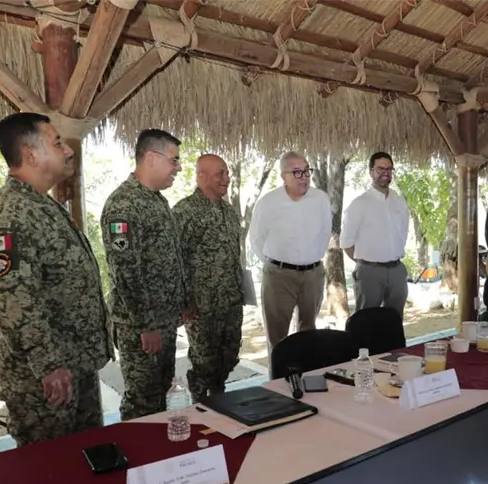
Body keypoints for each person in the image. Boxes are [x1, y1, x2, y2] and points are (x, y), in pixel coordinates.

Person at [0, 112, 113, 446]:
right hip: (45, 380)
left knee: (87, 465)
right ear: (31, 154)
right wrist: (49, 365)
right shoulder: (7, 212)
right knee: (49, 477)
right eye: (56, 142)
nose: (68, 150)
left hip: (74, 366)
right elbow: (15, 299)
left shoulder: (43, 206)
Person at [101, 129, 189, 420]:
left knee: (161, 393)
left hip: (163, 320)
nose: (178, 167)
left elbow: (166, 261)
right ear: (151, 157)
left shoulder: (155, 200)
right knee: (143, 401)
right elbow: (126, 272)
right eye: (174, 160)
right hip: (142, 326)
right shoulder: (123, 205)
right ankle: (138, 461)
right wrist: (146, 324)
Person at [173, 155, 244, 400]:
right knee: (205, 361)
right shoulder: (185, 211)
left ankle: (220, 400)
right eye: (220, 174)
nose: (226, 179)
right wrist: (184, 302)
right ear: (201, 176)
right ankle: (200, 405)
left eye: (226, 173)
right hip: (202, 306)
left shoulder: (229, 212)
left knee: (229, 356)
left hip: (231, 301)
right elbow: (175, 259)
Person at [248, 152, 331, 360]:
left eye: (306, 171)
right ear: (283, 176)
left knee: (309, 332)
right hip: (279, 276)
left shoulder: (320, 199)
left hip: (313, 274)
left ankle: (306, 380)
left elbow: (324, 233)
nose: (304, 176)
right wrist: (276, 265)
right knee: (277, 338)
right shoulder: (268, 203)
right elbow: (256, 239)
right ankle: (277, 384)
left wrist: (312, 260)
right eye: (297, 172)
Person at [341, 152, 409, 317]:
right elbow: (346, 243)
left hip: (397, 271)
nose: (385, 173)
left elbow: (403, 234)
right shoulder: (359, 204)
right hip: (369, 272)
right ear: (371, 172)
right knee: (366, 321)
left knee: (394, 321)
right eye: (380, 169)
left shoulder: (400, 202)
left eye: (389, 169)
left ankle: (394, 345)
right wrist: (366, 263)